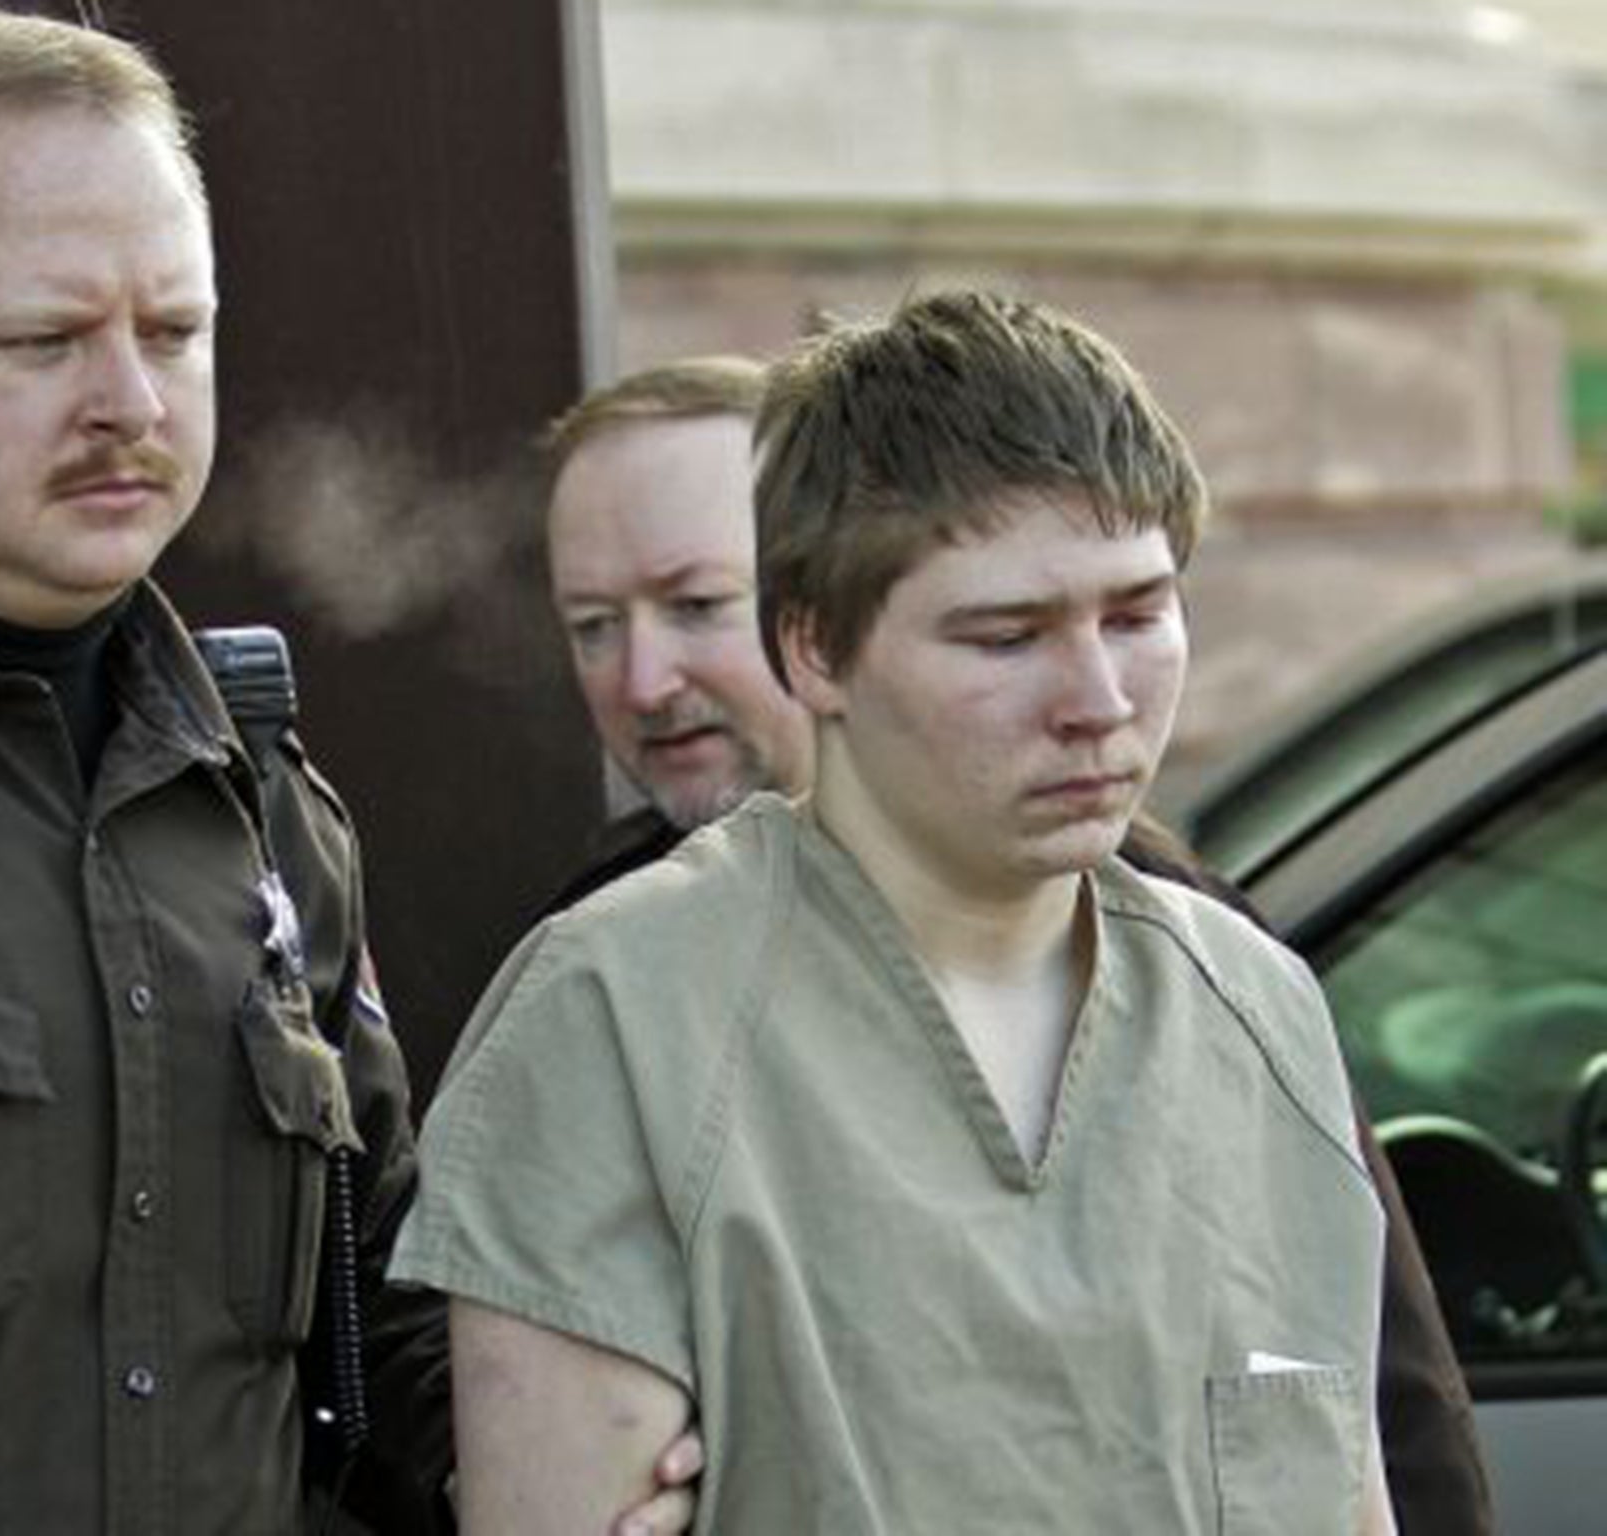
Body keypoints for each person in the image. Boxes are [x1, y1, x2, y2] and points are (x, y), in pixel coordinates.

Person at [0, 11, 697, 1534]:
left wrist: (616, 1455)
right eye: (43, 340)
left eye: (172, 332)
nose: (132, 405)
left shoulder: (258, 803)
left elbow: (379, 1332)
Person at [393, 292, 1403, 1532]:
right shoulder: (616, 1018)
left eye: (1135, 614)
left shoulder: (1255, 1012)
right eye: (1002, 636)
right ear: (813, 648)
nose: (1096, 697)